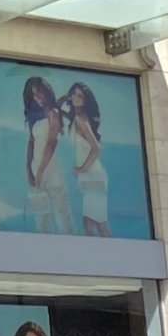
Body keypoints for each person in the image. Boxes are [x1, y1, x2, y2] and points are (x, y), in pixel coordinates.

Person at [23, 78, 74, 234]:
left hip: (50, 169)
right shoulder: (37, 117)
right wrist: (29, 169)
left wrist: (40, 172)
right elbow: (31, 143)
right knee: (41, 216)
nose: (37, 97)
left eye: (39, 91)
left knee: (62, 214)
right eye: (33, 94)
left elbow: (51, 143)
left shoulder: (54, 113)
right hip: (36, 168)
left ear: (46, 90)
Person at [63, 84, 109, 236]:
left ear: (85, 100)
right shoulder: (75, 117)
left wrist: (81, 169)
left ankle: (112, 256)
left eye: (80, 96)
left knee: (96, 223)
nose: (75, 98)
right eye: (74, 94)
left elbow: (96, 148)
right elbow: (54, 107)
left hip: (93, 174)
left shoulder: (80, 119)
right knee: (92, 222)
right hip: (89, 176)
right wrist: (66, 96)